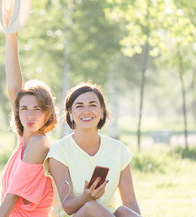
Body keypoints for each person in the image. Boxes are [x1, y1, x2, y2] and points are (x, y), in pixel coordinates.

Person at [44, 82, 142, 217]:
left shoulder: (118, 150)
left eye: (93, 105)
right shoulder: (59, 151)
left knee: (124, 211)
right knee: (91, 206)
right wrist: (86, 197)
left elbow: (130, 203)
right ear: (71, 113)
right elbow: (67, 206)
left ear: (102, 111)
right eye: (79, 106)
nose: (86, 111)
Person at [0, 27, 58, 217]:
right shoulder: (25, 139)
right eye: (25, 109)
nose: (30, 115)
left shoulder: (39, 143)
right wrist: (10, 36)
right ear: (18, 112)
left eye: (37, 109)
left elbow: (12, 195)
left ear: (47, 113)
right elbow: (14, 88)